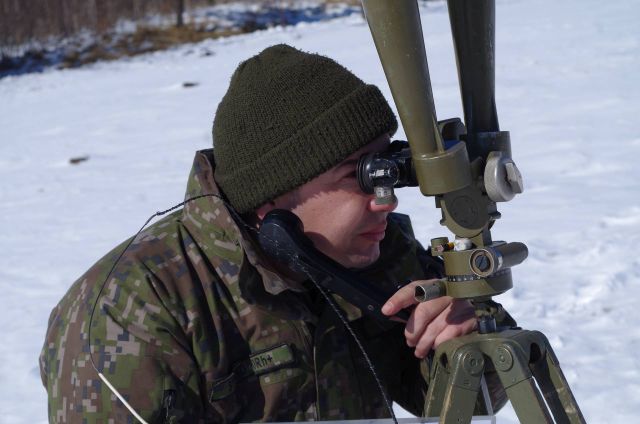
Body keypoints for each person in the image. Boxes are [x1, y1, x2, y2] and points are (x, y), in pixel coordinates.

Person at [40, 44, 491, 423]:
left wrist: (466, 334)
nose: (386, 201)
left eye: (387, 169)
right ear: (270, 197)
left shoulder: (379, 251)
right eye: (359, 175)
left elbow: (471, 400)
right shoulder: (132, 307)